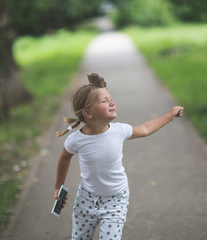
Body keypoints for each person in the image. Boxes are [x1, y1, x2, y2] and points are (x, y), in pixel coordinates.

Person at [54, 73, 183, 240]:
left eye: (111, 98)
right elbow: (64, 158)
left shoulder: (119, 130)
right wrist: (58, 187)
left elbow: (144, 129)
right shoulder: (76, 139)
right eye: (104, 101)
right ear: (88, 113)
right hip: (86, 199)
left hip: (116, 199)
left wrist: (169, 116)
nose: (112, 102)